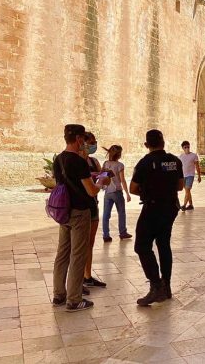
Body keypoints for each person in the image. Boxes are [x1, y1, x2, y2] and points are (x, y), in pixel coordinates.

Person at [52, 124, 110, 312]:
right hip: (79, 212)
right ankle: (74, 299)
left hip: (64, 212)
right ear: (78, 139)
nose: (85, 144)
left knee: (62, 254)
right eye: (84, 140)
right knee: (78, 255)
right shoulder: (78, 162)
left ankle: (59, 294)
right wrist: (102, 182)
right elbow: (91, 190)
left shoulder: (58, 159)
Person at [130, 130, 184, 306]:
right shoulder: (175, 161)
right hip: (170, 208)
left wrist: (149, 190)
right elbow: (180, 186)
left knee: (141, 246)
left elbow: (133, 188)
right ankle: (166, 286)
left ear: (147, 145)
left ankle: (156, 285)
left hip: (153, 208)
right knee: (163, 244)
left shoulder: (145, 163)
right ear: (163, 142)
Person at [78, 133, 107, 290]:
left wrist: (104, 176)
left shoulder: (94, 161)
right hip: (79, 205)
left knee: (89, 243)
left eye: (95, 142)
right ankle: (77, 279)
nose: (94, 145)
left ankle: (87, 276)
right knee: (79, 244)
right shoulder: (76, 161)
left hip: (92, 203)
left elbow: (102, 179)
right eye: (91, 142)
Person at [101, 145, 133, 242]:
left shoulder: (105, 163)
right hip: (117, 192)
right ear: (119, 155)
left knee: (106, 214)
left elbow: (102, 177)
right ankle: (122, 232)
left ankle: (106, 235)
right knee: (121, 213)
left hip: (107, 191)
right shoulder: (120, 165)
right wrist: (127, 193)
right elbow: (122, 180)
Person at [179, 141, 201, 211]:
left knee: (187, 190)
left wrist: (199, 176)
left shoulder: (194, 155)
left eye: (188, 147)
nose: (187, 148)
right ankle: (191, 205)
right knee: (187, 191)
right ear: (182, 148)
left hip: (190, 175)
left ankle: (184, 205)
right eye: (185, 147)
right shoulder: (181, 156)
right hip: (183, 176)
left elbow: (197, 166)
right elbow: (180, 167)